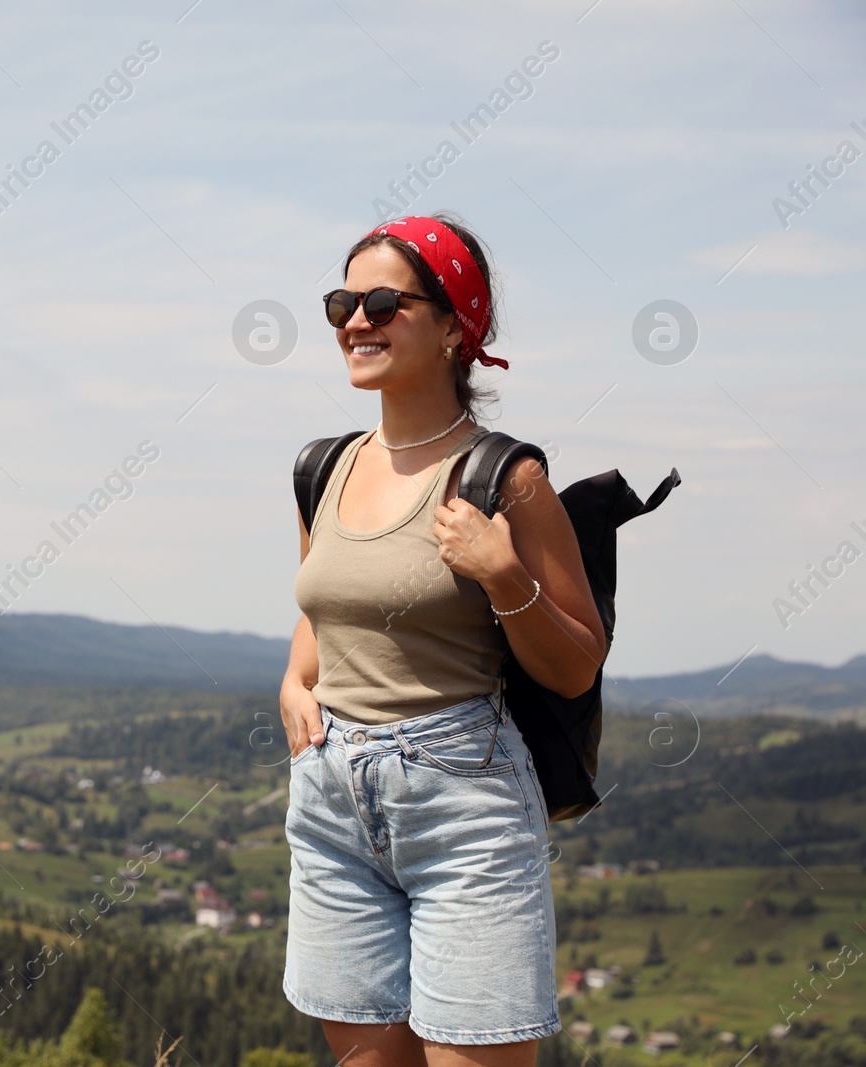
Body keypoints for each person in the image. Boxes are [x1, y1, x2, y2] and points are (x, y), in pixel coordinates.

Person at [280, 213, 607, 1066]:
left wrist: (505, 577)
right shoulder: (324, 467)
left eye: (385, 300)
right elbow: (322, 605)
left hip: (463, 800)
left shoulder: (508, 476)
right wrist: (293, 681)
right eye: (343, 301)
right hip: (331, 804)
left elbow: (576, 664)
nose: (357, 318)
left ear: (456, 325)